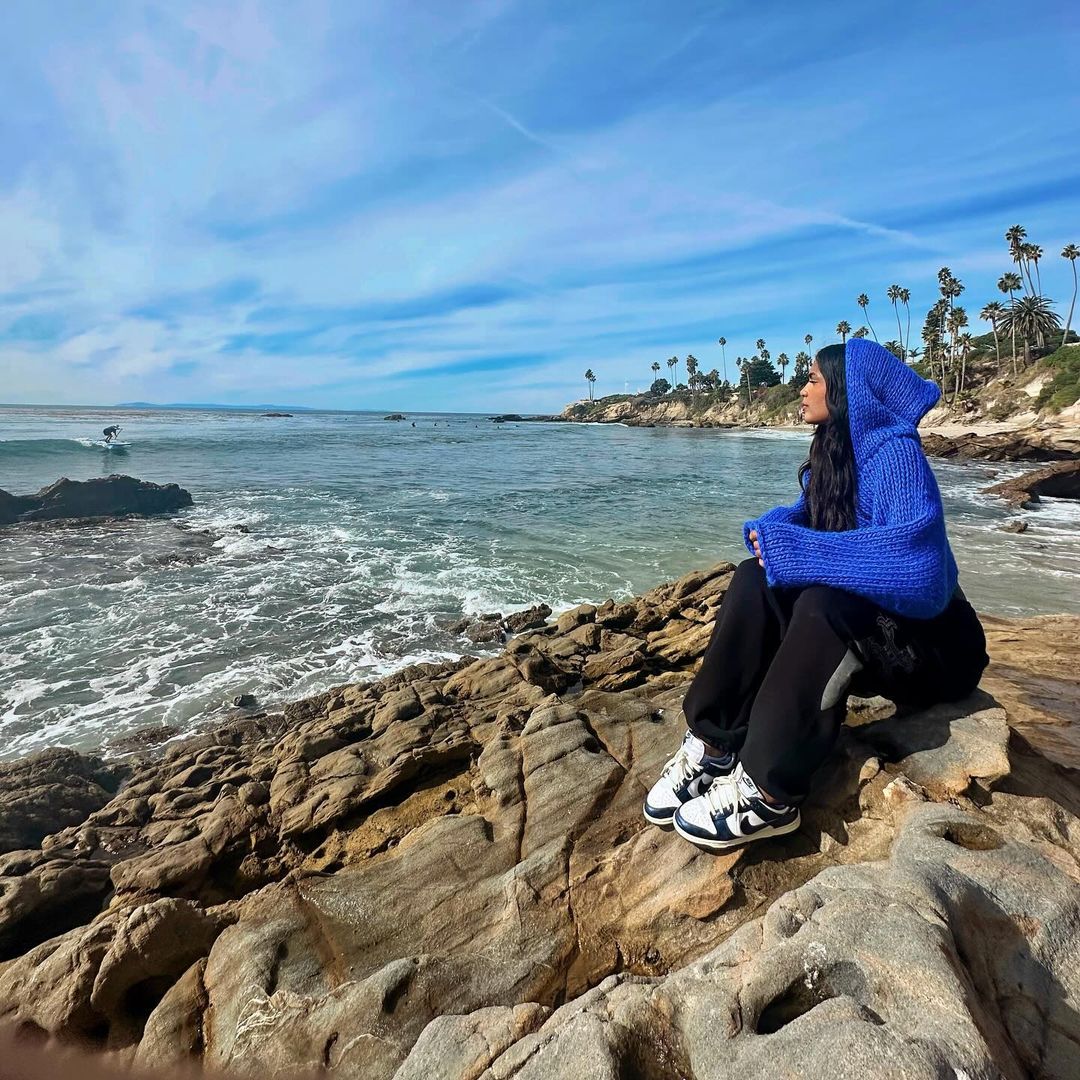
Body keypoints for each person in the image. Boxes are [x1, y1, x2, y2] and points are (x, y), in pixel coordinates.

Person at [643, 339, 989, 851]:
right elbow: (813, 515)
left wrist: (800, 552)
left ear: (848, 392)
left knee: (823, 604)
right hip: (888, 632)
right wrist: (775, 529)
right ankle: (714, 743)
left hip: (938, 651)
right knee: (753, 578)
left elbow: (921, 572)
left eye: (812, 380)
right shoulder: (839, 447)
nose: (802, 390)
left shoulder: (895, 454)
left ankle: (768, 793)